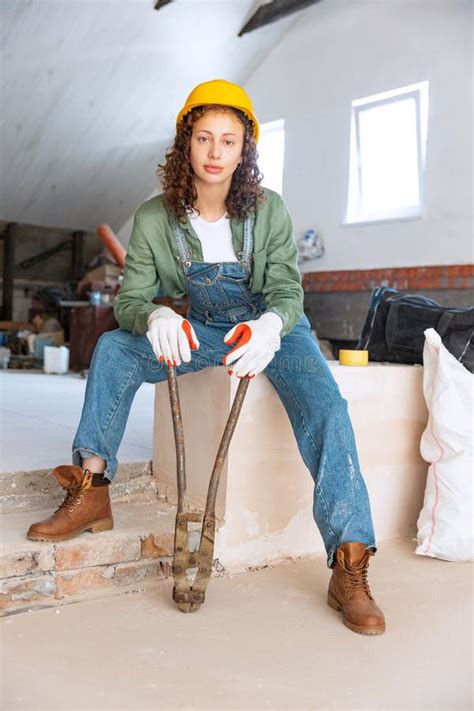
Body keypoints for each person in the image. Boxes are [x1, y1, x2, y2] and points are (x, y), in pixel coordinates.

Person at [27, 79, 386, 635]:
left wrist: (269, 326)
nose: (215, 153)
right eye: (203, 138)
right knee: (115, 347)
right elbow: (129, 300)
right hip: (208, 329)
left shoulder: (268, 212)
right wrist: (154, 316)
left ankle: (349, 563)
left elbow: (288, 294)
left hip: (275, 332)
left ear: (246, 151)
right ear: (184, 144)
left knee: (328, 412)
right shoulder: (153, 218)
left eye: (229, 140)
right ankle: (92, 491)